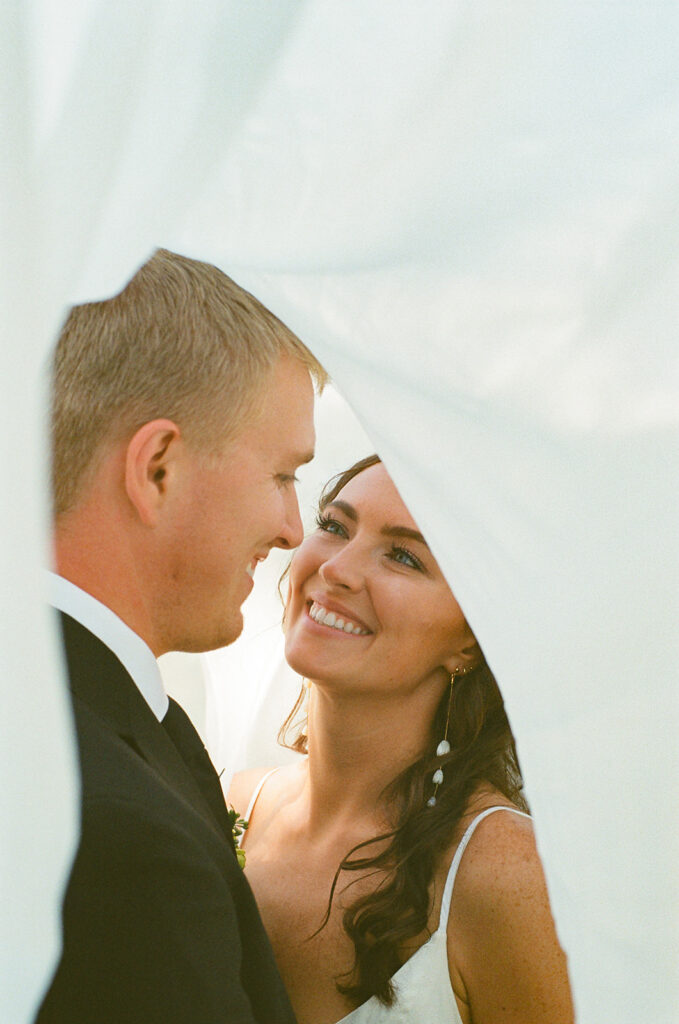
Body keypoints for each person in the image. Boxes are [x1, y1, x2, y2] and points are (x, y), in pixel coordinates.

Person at [38, 248, 327, 1024]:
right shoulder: (120, 840)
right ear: (157, 468)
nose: (292, 530)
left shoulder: (119, 734)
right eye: (282, 475)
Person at [229, 454, 575, 1024]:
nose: (337, 568)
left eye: (405, 557)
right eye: (335, 526)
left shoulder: (503, 872)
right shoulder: (238, 805)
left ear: (469, 641)